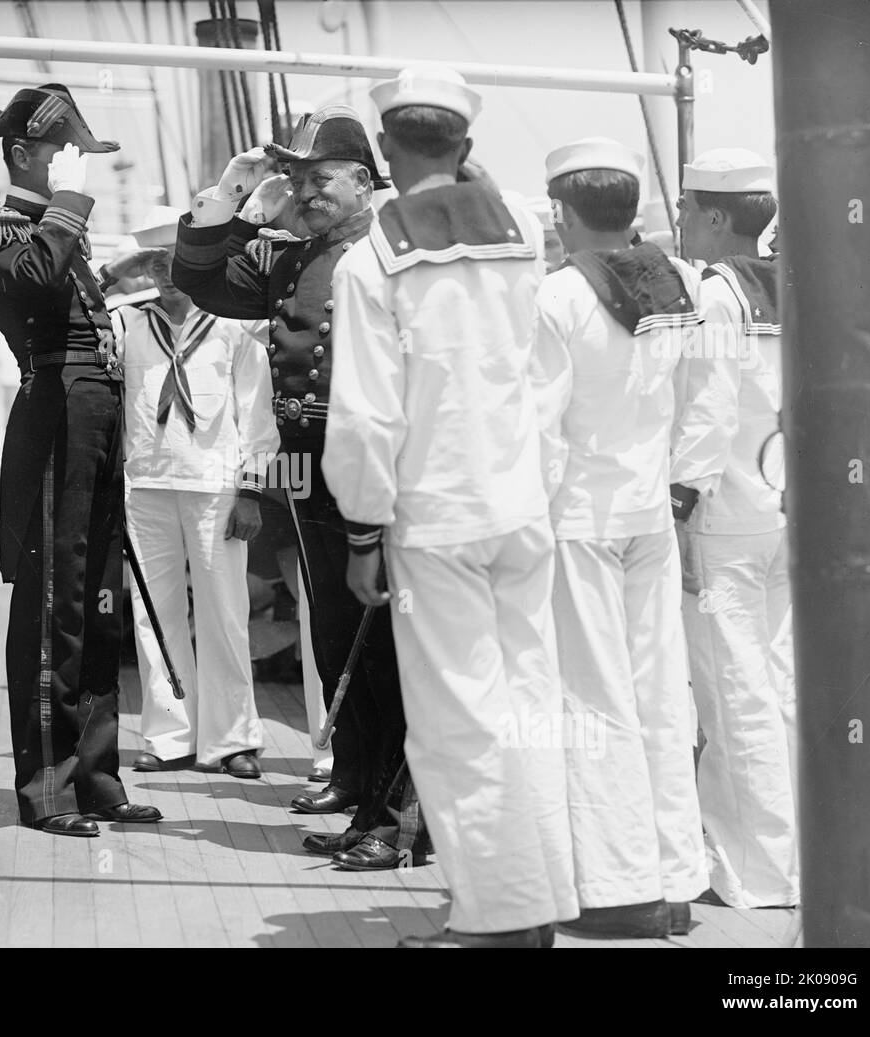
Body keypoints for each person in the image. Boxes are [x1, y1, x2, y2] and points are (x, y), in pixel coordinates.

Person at [323, 65, 574, 948]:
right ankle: (534, 895)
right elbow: (546, 381)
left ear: (385, 152)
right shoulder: (525, 241)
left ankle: (499, 916)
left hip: (436, 519)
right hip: (520, 506)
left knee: (456, 724)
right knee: (529, 705)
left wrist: (361, 530)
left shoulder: (369, 261)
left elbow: (364, 416)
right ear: (465, 147)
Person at [173, 105, 425, 871]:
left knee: (377, 646)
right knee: (331, 629)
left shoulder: (388, 255)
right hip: (305, 466)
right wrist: (234, 192)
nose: (308, 192)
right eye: (299, 178)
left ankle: (392, 814)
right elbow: (199, 277)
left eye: (321, 178)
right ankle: (352, 778)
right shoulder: (285, 253)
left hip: (369, 461)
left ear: (363, 180)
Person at [0, 85, 161, 837]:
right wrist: (72, 205)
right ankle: (46, 784)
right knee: (55, 605)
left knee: (99, 599)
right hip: (56, 418)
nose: (75, 167)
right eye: (62, 152)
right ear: (22, 155)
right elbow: (30, 283)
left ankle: (96, 774)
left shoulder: (63, 235)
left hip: (98, 417)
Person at [532, 137, 708, 937]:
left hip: (579, 519)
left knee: (593, 701)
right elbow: (704, 401)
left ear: (563, 212)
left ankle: (615, 887)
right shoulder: (679, 285)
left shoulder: (558, 297)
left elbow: (541, 426)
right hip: (649, 515)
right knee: (660, 696)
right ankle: (675, 876)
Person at [109, 206, 279, 777]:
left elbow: (257, 412)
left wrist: (253, 489)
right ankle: (170, 735)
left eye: (175, 260)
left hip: (217, 487)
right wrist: (115, 270)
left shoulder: (235, 324)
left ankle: (233, 740)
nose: (165, 272)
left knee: (225, 614)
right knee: (152, 614)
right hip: (148, 483)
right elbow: (74, 296)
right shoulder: (126, 324)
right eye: (154, 262)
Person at [670, 148, 796, 908]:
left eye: (687, 209)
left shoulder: (720, 296)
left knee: (732, 692)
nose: (681, 221)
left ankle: (752, 873)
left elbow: (708, 411)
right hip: (783, 514)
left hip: (725, 521)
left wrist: (681, 512)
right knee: (777, 688)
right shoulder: (796, 284)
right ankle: (790, 858)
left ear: (717, 216)